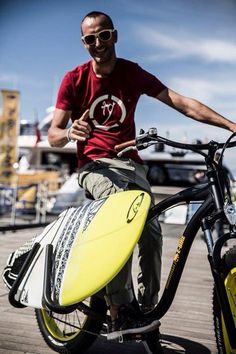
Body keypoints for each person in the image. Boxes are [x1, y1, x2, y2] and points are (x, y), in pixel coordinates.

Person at [48, 10, 236, 341]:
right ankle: (121, 310)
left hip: (132, 165)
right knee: (119, 215)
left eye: (103, 36)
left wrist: (231, 126)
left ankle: (144, 311)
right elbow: (53, 134)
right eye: (90, 39)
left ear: (115, 36)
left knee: (151, 230)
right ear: (83, 43)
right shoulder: (74, 79)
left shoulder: (131, 74)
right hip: (96, 166)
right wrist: (69, 133)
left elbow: (180, 102)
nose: (97, 44)